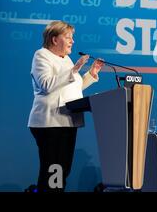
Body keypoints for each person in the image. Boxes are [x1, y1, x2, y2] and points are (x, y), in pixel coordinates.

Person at [28, 21, 104, 192]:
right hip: (50, 122)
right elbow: (46, 85)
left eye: (72, 37)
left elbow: (71, 88)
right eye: (68, 37)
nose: (72, 41)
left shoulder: (66, 59)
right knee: (53, 170)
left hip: (67, 121)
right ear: (55, 40)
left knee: (63, 169)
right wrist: (74, 69)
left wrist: (91, 74)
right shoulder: (42, 55)